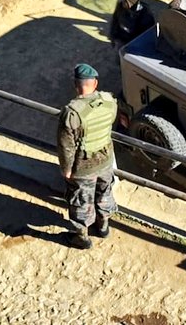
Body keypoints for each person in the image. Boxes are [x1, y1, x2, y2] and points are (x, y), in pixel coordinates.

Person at [56, 63, 118, 250]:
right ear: (95, 83)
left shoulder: (72, 113)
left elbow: (66, 146)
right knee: (104, 192)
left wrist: (66, 169)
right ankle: (103, 227)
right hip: (106, 159)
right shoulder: (109, 101)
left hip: (83, 166)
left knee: (81, 200)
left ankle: (81, 237)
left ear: (76, 85)